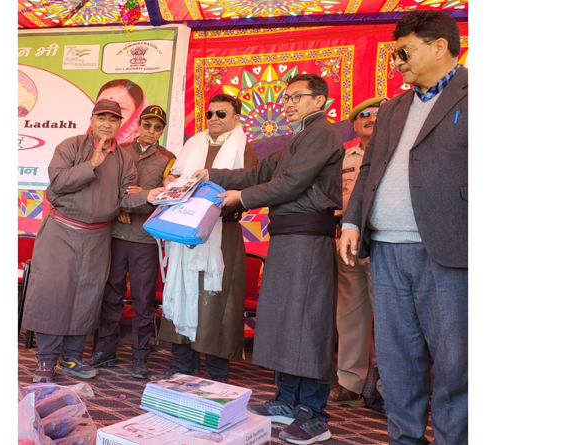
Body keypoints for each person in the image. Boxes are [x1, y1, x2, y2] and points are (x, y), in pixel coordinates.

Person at [339, 10, 468, 445]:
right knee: (397, 362)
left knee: (456, 365)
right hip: (387, 252)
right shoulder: (393, 107)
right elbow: (370, 169)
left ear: (439, 47)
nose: (397, 62)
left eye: (404, 51)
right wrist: (354, 219)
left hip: (448, 252)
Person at [193, 74, 344, 445]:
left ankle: (314, 415)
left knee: (308, 323)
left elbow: (289, 183)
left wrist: (238, 199)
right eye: (286, 97)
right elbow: (258, 173)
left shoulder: (322, 134)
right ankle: (287, 401)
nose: (288, 103)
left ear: (320, 101)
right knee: (283, 321)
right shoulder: (299, 137)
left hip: (308, 238)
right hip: (288, 236)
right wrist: (210, 174)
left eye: (297, 97)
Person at [21, 99, 164, 384]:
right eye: (102, 118)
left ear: (120, 124)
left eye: (113, 119)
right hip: (62, 231)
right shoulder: (70, 146)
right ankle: (47, 360)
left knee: (86, 297)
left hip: (99, 236)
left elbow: (125, 197)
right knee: (54, 294)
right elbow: (57, 183)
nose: (107, 124)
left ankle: (71, 358)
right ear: (92, 119)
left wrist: (148, 196)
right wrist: (91, 165)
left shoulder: (123, 159)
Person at [151, 93, 258, 384]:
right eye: (210, 114)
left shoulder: (244, 150)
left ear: (236, 118)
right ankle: (182, 363)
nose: (213, 119)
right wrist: (171, 184)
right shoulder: (192, 145)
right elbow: (173, 178)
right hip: (184, 231)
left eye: (221, 114)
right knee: (182, 289)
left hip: (221, 233)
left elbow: (251, 188)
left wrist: (213, 208)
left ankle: (217, 371)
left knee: (217, 298)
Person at [89, 105, 176, 380]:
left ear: (163, 131)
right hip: (114, 234)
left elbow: (168, 200)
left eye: (157, 127)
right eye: (147, 125)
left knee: (143, 301)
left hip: (144, 239)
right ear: (138, 125)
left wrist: (142, 197)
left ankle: (140, 357)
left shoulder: (168, 159)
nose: (151, 131)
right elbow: (104, 189)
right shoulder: (119, 149)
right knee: (110, 296)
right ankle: (106, 350)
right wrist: (121, 205)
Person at [328, 96, 388, 408]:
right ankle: (350, 383)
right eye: (363, 115)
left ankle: (389, 387)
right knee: (349, 315)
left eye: (378, 114)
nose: (370, 119)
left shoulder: (396, 153)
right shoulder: (343, 158)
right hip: (349, 244)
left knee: (392, 317)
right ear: (354, 124)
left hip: (385, 244)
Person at [96, 79, 149, 145]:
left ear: (137, 117)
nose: (110, 113)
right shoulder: (81, 146)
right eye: (102, 106)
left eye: (121, 107)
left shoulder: (140, 153)